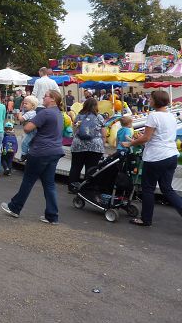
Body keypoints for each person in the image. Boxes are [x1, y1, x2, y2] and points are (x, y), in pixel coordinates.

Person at [1, 90, 65, 224]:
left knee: (28, 181)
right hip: (55, 151)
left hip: (40, 151)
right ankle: (52, 215)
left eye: (46, 96)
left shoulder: (46, 113)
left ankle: (15, 207)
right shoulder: (59, 113)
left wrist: (27, 118)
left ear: (53, 99)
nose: (43, 98)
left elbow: (27, 128)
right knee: (49, 184)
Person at [121, 90, 182, 226]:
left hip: (156, 157)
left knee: (148, 188)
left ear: (156, 101)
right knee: (167, 189)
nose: (149, 101)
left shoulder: (153, 116)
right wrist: (142, 138)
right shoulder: (171, 116)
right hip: (171, 155)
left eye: (151, 99)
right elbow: (157, 135)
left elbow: (146, 138)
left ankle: (146, 219)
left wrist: (130, 143)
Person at [67, 98, 106, 193]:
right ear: (96, 106)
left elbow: (74, 130)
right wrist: (103, 145)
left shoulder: (79, 116)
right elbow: (104, 134)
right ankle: (86, 189)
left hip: (78, 145)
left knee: (75, 167)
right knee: (91, 168)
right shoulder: (99, 117)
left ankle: (72, 187)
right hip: (95, 146)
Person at [17, 95, 39, 160]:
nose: (24, 105)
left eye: (26, 104)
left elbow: (21, 119)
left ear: (32, 106)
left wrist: (20, 114)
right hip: (33, 130)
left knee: (24, 142)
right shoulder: (33, 112)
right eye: (24, 103)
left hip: (31, 131)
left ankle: (24, 155)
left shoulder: (29, 113)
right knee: (29, 143)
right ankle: (29, 154)